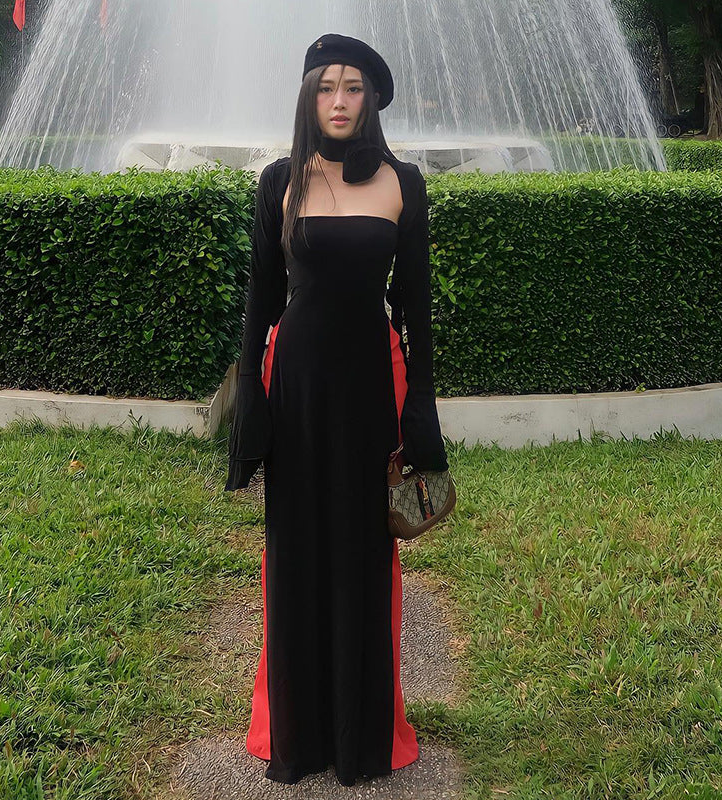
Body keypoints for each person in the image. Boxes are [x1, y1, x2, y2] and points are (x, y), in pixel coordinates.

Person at [224, 32, 450, 787]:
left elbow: (414, 308)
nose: (340, 101)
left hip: (369, 390)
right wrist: (251, 400)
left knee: (362, 556)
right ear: (308, 96)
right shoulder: (279, 181)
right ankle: (298, 734)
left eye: (353, 88)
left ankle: (360, 735)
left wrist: (421, 414)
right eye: (327, 87)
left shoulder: (402, 183)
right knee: (294, 555)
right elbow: (262, 298)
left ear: (373, 99)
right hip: (296, 389)